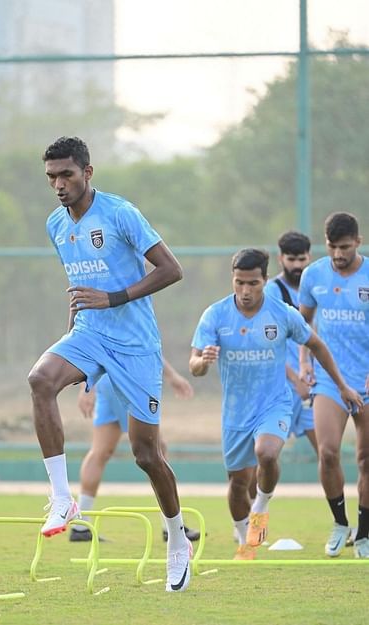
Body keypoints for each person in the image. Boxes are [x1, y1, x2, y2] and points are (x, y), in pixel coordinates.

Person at [28, 136, 192, 592]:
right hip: (89, 335)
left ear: (88, 172)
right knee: (41, 379)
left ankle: (178, 539)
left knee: (146, 455)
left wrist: (114, 297)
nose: (59, 185)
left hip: (136, 346)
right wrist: (79, 361)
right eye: (51, 178)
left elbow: (171, 269)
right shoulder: (55, 225)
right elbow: (77, 290)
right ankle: (62, 498)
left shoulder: (120, 212)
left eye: (67, 175)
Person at [189, 248, 362, 561]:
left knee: (266, 454)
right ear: (233, 279)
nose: (245, 290)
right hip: (235, 412)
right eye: (239, 282)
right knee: (238, 483)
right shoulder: (215, 314)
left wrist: (341, 385)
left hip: (275, 403)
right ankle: (246, 540)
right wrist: (203, 360)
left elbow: (316, 345)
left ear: (264, 280)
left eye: (253, 283)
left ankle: (263, 505)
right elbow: (195, 365)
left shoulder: (282, 313)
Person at [298, 212, 369, 559]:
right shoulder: (313, 275)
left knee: (366, 458)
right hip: (329, 379)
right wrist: (303, 363)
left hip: (367, 378)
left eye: (344, 247)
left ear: (358, 241)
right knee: (327, 452)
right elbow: (303, 326)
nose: (338, 254)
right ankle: (341, 523)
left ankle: (365, 533)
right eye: (331, 247)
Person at [70, 359, 201, 543]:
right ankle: (171, 526)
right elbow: (144, 346)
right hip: (126, 380)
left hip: (106, 382)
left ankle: (80, 526)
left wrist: (88, 385)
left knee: (100, 452)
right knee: (157, 450)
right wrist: (172, 376)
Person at [264, 231, 317, 453]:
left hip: (313, 383)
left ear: (309, 257)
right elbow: (267, 346)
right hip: (283, 385)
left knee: (326, 450)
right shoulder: (272, 292)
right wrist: (296, 381)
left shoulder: (316, 288)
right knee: (266, 453)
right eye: (291, 259)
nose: (297, 265)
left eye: (301, 259)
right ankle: (257, 490)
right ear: (281, 258)